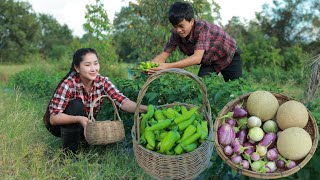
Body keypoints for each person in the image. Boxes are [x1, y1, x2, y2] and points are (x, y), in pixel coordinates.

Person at [43, 48, 147, 154]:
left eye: (96, 64)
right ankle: (69, 154)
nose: (93, 69)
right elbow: (54, 118)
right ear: (77, 68)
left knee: (95, 135)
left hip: (86, 124)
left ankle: (83, 142)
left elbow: (122, 101)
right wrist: (79, 119)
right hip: (59, 126)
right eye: (88, 65)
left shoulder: (101, 81)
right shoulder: (69, 84)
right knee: (76, 105)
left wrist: (145, 109)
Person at [148, 1, 242, 82]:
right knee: (201, 86)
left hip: (229, 55)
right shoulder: (176, 33)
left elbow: (196, 58)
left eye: (181, 26)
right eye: (175, 26)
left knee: (236, 89)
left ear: (192, 21)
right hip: (210, 60)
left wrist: (167, 66)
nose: (178, 30)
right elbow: (163, 55)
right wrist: (151, 67)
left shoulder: (202, 28)